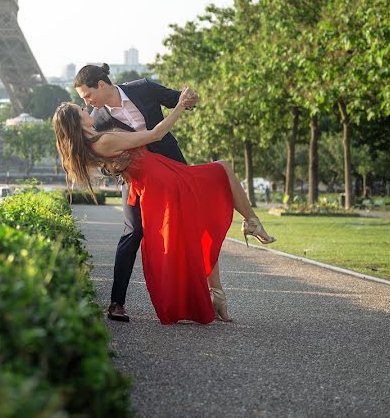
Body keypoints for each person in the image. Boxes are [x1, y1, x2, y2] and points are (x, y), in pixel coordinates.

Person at [53, 90, 276, 324]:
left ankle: (214, 294)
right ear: (77, 122)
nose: (86, 109)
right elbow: (157, 134)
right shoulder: (105, 140)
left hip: (157, 183)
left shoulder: (92, 145)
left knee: (190, 233)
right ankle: (251, 223)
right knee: (222, 169)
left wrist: (114, 166)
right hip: (166, 181)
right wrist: (179, 105)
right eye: (81, 111)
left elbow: (114, 164)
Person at [73, 63, 197, 322]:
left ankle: (200, 296)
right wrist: (114, 170)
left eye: (87, 95)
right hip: (133, 179)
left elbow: (179, 99)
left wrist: (190, 98)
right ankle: (116, 303)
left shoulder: (143, 88)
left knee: (185, 226)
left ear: (102, 85)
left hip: (170, 166)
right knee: (133, 232)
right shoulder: (97, 121)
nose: (87, 103)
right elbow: (103, 159)